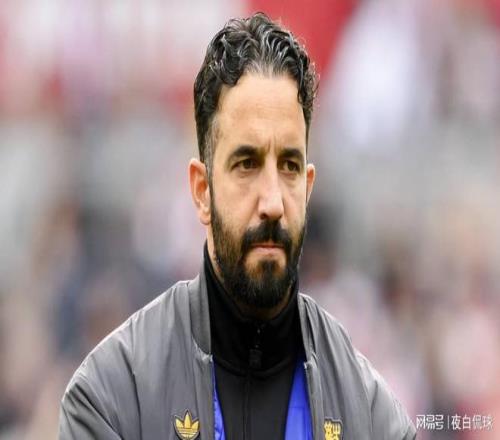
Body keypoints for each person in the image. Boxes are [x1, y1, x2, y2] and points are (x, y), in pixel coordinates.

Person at [59, 12, 416, 440]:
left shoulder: (372, 415)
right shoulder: (113, 397)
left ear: (308, 188)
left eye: (289, 166)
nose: (273, 203)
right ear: (201, 190)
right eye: (247, 164)